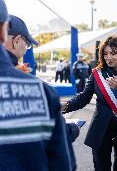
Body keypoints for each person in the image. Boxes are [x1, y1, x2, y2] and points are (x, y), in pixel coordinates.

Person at [0, 0, 76, 171]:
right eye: (27, 43)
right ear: (7, 34)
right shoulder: (41, 92)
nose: (26, 49)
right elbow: (62, 169)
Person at [61, 36, 117, 171]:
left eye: (113, 53)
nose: (109, 57)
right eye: (105, 54)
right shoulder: (97, 73)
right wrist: (65, 106)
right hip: (101, 128)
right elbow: (83, 98)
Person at [4, 14, 80, 142]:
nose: (25, 50)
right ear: (16, 40)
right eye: (27, 44)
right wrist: (74, 129)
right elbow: (55, 135)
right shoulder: (24, 85)